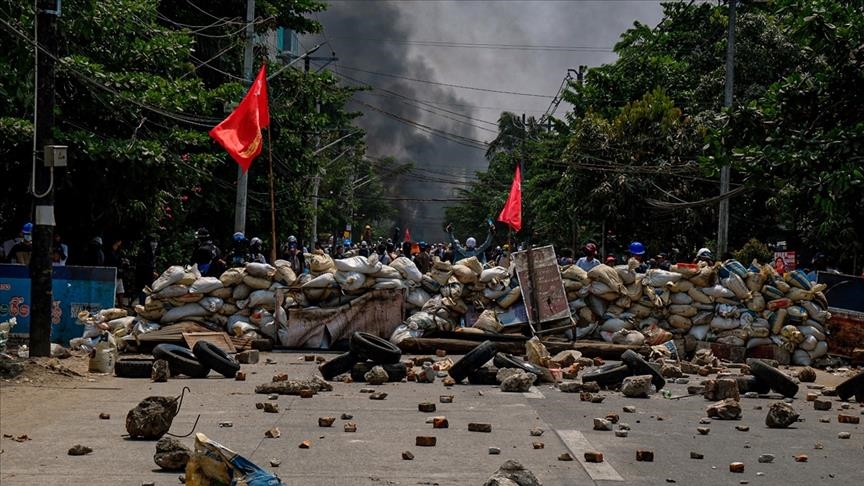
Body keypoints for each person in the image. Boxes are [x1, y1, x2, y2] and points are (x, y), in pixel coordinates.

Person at [135, 234, 159, 304]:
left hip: (148, 278)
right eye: (153, 241)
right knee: (143, 294)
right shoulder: (144, 252)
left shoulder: (151, 252)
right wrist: (151, 273)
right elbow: (143, 266)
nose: (155, 243)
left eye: (155, 241)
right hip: (143, 278)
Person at [105, 238, 129, 306]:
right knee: (113, 291)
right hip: (112, 275)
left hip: (119, 274)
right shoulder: (110, 252)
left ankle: (120, 307)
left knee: (121, 291)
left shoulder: (118, 252)